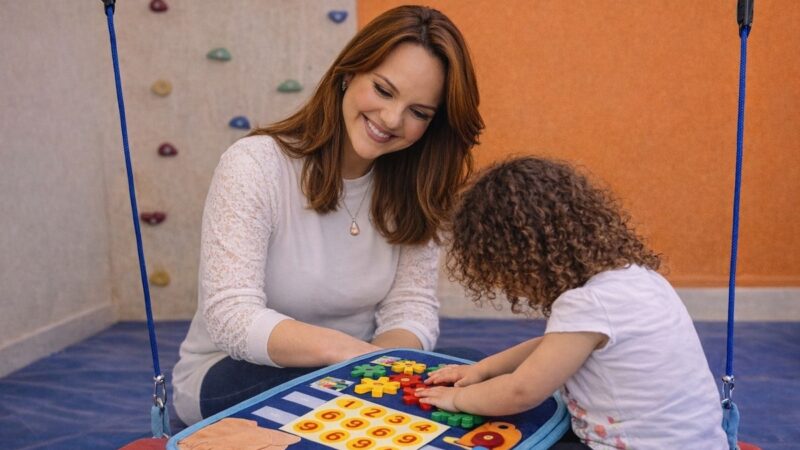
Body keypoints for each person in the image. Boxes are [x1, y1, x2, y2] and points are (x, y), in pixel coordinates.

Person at [172, 5, 484, 426]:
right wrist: (361, 358)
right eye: (384, 90)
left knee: (473, 370)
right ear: (347, 73)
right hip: (231, 372)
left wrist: (383, 367)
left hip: (353, 372)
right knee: (335, 387)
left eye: (419, 113)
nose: (392, 119)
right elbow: (232, 317)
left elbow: (410, 310)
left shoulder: (419, 186)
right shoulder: (255, 164)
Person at [417, 157, 728, 450]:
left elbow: (520, 392)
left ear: (523, 259)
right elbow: (551, 348)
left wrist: (458, 400)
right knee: (471, 361)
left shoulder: (586, 303)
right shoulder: (638, 277)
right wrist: (483, 370)